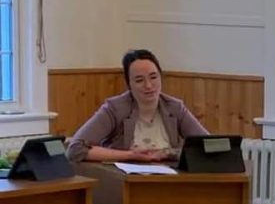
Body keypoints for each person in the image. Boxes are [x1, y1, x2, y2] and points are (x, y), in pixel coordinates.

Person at [66, 49, 208, 163]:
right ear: (129, 85)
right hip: (125, 181)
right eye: (139, 80)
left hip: (171, 180)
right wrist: (129, 155)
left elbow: (208, 145)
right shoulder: (115, 108)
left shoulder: (175, 108)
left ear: (161, 77)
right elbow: (75, 149)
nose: (148, 85)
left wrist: (169, 153)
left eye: (153, 77)